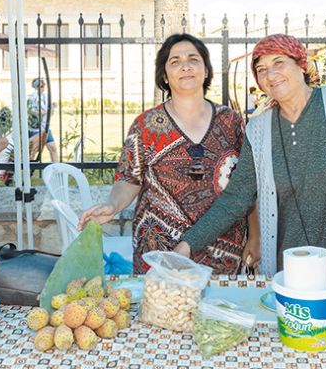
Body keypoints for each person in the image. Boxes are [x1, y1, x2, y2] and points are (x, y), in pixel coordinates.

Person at [173, 34, 326, 303]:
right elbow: (236, 197)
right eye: (261, 70)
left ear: (301, 65)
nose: (271, 75)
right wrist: (186, 245)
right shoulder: (259, 129)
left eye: (279, 63)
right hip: (290, 275)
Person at [78, 33, 258, 274]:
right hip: (160, 253)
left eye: (193, 59)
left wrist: (255, 236)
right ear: (164, 75)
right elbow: (129, 179)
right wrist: (112, 205)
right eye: (175, 61)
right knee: (159, 311)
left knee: (218, 311)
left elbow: (247, 187)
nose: (185, 66)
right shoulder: (146, 125)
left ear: (205, 70)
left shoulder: (231, 122)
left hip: (224, 251)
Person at [28, 77, 59, 163]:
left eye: (44, 85)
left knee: (52, 148)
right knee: (32, 151)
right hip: (36, 129)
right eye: (41, 85)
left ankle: (56, 168)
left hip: (45, 127)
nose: (44, 87)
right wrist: (45, 111)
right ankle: (29, 171)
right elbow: (32, 111)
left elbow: (50, 112)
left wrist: (52, 108)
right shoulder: (31, 98)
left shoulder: (46, 96)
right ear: (36, 87)